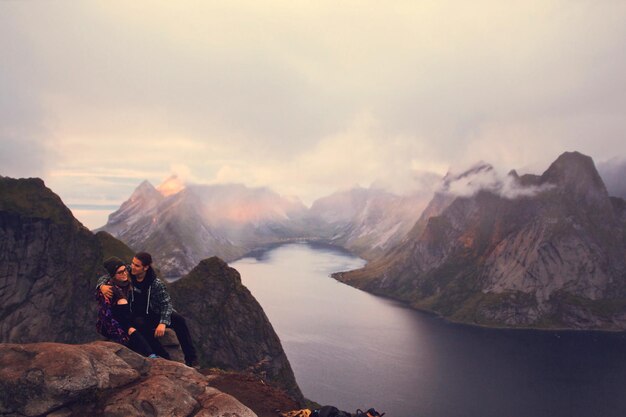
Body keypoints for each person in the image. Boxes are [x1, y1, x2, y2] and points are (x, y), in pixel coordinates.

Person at [98, 252, 198, 367]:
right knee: (140, 324)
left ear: (145, 267)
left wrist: (162, 323)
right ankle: (162, 356)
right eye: (132, 263)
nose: (132, 267)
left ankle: (191, 359)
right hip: (136, 315)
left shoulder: (156, 284)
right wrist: (102, 286)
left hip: (153, 313)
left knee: (179, 320)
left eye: (136, 265)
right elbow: (108, 275)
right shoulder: (130, 272)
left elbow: (166, 304)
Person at [96, 257, 160, 358]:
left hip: (128, 315)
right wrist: (128, 327)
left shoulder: (127, 282)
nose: (125, 273)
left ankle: (157, 354)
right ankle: (152, 355)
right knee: (133, 330)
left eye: (125, 270)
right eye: (120, 272)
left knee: (142, 324)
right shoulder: (111, 290)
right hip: (113, 322)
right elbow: (109, 314)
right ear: (113, 275)